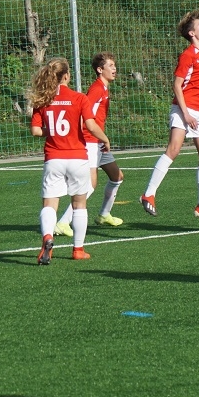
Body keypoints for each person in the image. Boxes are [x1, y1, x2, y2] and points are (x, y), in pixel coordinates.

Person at [140, 9, 199, 224]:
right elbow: (177, 85)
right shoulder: (188, 55)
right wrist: (185, 114)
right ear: (192, 33)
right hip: (183, 108)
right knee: (174, 149)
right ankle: (148, 194)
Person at [29, 58, 110, 265]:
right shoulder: (79, 98)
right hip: (77, 158)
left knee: (49, 204)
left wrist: (51, 131)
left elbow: (36, 131)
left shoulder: (43, 99)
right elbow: (91, 126)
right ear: (66, 76)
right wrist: (105, 139)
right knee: (79, 204)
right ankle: (78, 250)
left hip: (54, 158)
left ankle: (48, 237)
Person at [55, 52, 125, 237]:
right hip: (91, 141)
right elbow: (85, 116)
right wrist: (88, 136)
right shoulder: (96, 89)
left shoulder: (104, 88)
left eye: (114, 65)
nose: (114, 68)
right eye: (110, 66)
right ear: (100, 70)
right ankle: (63, 222)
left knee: (117, 176)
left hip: (98, 141)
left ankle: (104, 214)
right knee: (90, 185)